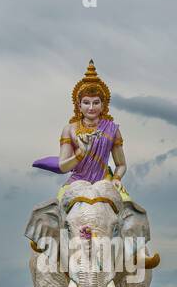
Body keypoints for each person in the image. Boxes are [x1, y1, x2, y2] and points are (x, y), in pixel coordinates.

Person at [33, 60, 130, 201]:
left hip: (105, 181)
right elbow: (63, 167)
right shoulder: (70, 130)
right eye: (86, 102)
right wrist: (80, 154)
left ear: (103, 105)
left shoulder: (112, 129)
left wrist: (116, 178)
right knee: (56, 208)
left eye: (96, 102)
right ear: (79, 105)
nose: (91, 107)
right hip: (76, 181)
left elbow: (121, 164)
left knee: (129, 207)